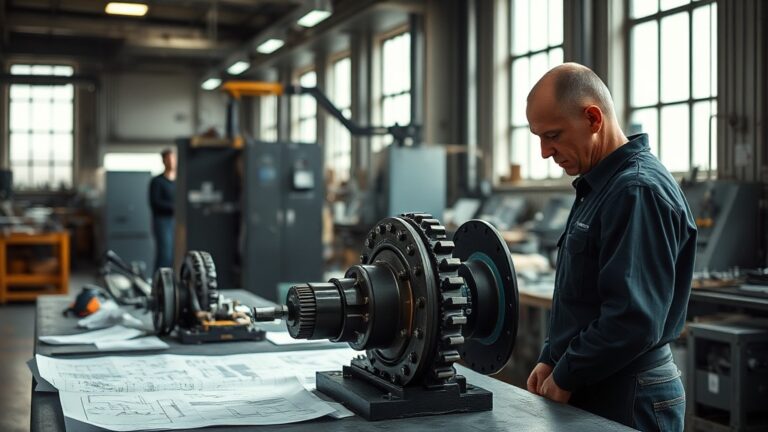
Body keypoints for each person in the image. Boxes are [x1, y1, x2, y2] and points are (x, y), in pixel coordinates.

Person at [524, 63, 697, 431]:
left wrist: (568, 371)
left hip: (630, 395)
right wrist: (552, 357)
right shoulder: (599, 186)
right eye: (538, 137)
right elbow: (584, 297)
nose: (544, 152)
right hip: (600, 385)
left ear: (592, 118)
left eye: (552, 135)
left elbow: (633, 318)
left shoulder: (636, 191)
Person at [149, 148, 176, 272]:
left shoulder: (179, 181)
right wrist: (175, 207)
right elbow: (155, 203)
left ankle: (172, 285)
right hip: (162, 221)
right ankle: (158, 285)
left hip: (176, 221)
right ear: (164, 161)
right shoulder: (157, 182)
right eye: (168, 159)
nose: (171, 162)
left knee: (176, 255)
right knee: (165, 255)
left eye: (173, 158)